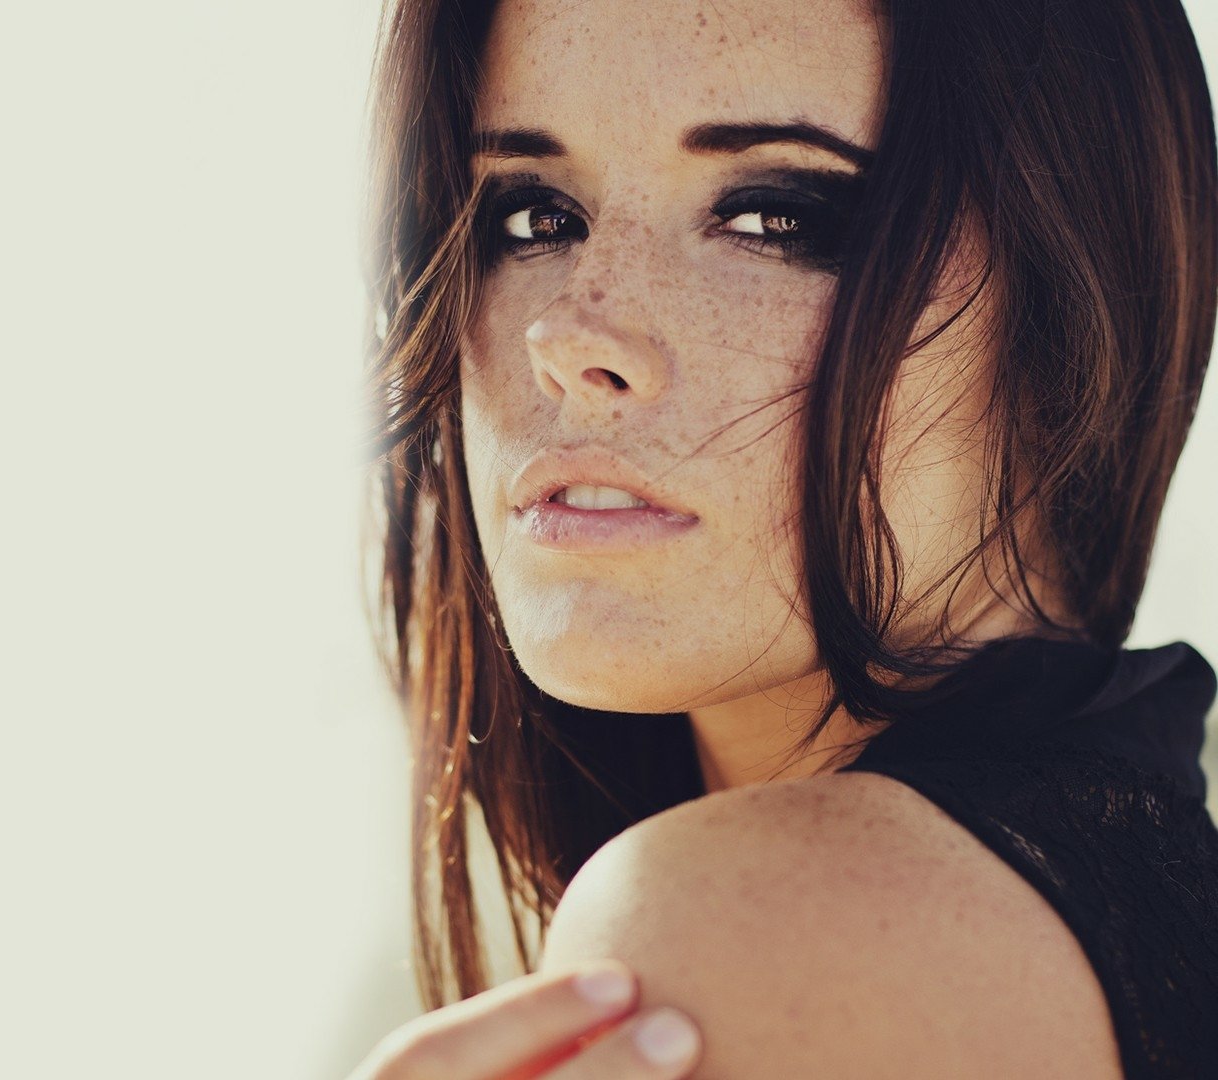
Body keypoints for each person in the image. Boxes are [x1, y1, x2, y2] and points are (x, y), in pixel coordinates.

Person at [347, 0, 1218, 1076]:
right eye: (532, 215)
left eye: (774, 216)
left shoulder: (742, 932)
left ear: (1067, 313)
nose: (569, 335)